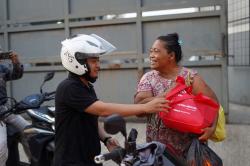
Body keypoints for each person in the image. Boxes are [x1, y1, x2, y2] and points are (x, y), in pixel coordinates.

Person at [54, 34, 168, 166]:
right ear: (77, 62)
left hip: (90, 160)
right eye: (93, 61)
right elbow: (103, 109)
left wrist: (106, 139)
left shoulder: (86, 87)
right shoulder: (69, 87)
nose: (98, 65)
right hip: (71, 162)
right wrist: (145, 107)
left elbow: (91, 117)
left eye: (98, 60)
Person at [134, 33, 219, 160]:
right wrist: (171, 91)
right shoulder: (148, 78)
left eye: (156, 51)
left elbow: (213, 103)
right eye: (151, 51)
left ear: (171, 56)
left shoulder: (190, 77)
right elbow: (139, 108)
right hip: (157, 151)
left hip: (187, 152)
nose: (151, 55)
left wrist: (211, 128)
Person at [0, 48, 30, 166]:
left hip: (5, 110)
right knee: (1, 145)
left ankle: (35, 161)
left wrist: (16, 62)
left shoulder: (2, 69)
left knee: (30, 131)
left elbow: (16, 75)